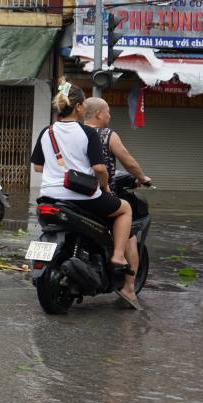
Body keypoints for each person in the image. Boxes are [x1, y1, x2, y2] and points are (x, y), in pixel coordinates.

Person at [32, 81, 139, 308]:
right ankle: (118, 255)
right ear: (79, 107)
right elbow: (100, 169)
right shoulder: (87, 132)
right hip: (82, 197)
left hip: (49, 198)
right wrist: (105, 187)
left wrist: (59, 166)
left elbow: (38, 168)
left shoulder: (46, 131)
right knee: (125, 209)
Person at [83, 97, 152, 191]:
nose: (109, 116)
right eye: (108, 112)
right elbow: (129, 163)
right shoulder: (107, 134)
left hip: (76, 186)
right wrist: (142, 178)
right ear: (98, 114)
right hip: (100, 190)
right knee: (126, 206)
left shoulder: (75, 132)